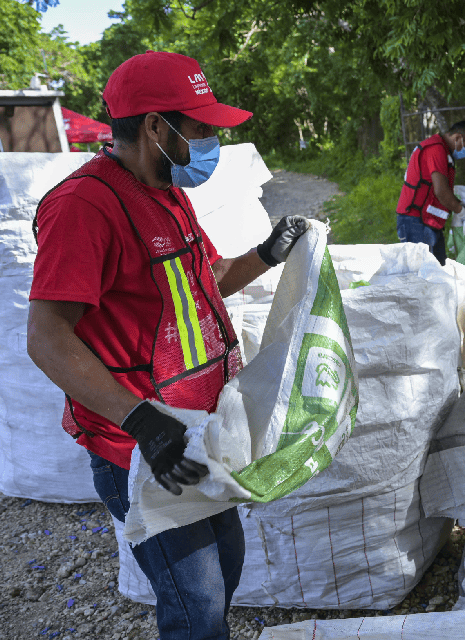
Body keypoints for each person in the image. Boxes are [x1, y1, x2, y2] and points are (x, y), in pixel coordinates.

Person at [26, 51, 309, 640]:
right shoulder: (84, 206)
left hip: (199, 432)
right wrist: (142, 421)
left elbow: (208, 280)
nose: (212, 141)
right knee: (196, 603)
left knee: (225, 567)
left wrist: (266, 254)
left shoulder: (166, 192)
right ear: (157, 126)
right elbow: (47, 338)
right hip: (144, 447)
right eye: (202, 127)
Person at [396, 120, 465, 265]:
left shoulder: (443, 151)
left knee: (438, 269)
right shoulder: (436, 149)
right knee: (424, 274)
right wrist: (461, 211)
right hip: (415, 221)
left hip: (427, 221)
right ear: (458, 137)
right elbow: (441, 191)